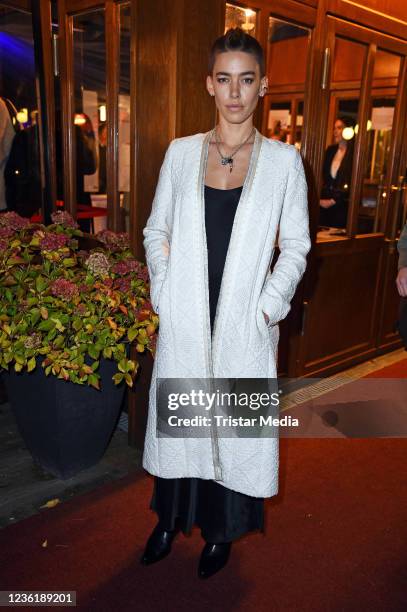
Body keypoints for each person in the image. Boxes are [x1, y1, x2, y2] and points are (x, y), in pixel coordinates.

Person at [141, 27, 311, 579]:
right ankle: (168, 521)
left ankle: (220, 532)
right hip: (188, 315)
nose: (234, 92)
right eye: (224, 79)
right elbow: (155, 230)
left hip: (243, 322)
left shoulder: (285, 163)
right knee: (181, 427)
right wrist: (164, 293)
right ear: (208, 85)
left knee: (234, 431)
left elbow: (297, 246)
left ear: (263, 86)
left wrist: (267, 307)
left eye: (246, 79)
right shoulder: (182, 152)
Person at [319, 116, 355, 229]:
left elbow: (351, 180)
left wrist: (334, 200)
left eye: (339, 128)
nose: (335, 131)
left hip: (342, 204)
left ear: (348, 130)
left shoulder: (354, 153)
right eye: (334, 128)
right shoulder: (330, 150)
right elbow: (324, 176)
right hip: (324, 201)